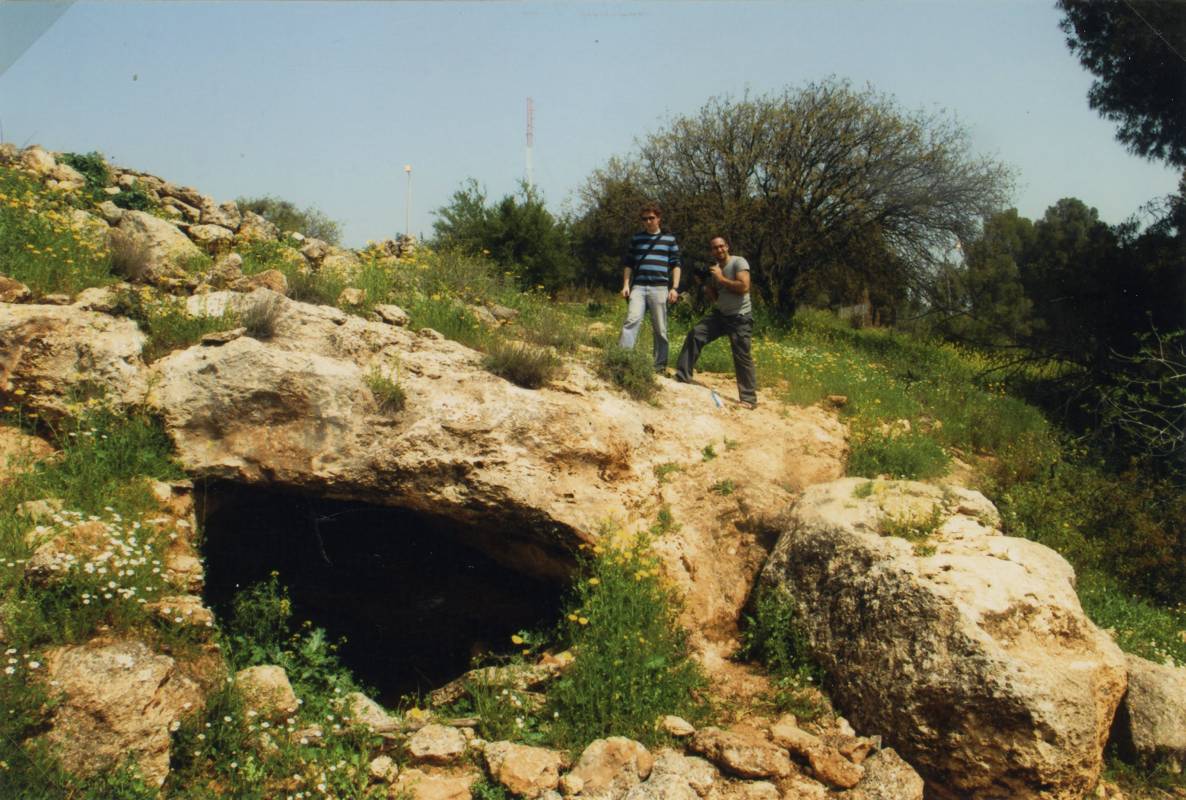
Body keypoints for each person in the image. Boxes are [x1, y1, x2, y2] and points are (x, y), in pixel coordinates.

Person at [675, 236, 758, 408]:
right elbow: (717, 298)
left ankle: (748, 399)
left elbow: (744, 287)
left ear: (727, 247)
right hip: (720, 315)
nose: (719, 250)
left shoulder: (738, 262)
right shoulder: (715, 270)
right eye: (715, 248)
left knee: (742, 356)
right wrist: (706, 288)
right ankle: (682, 375)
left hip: (740, 317)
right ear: (712, 251)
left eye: (721, 246)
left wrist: (720, 279)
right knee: (696, 333)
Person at [618, 203, 682, 372]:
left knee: (660, 328)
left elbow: (676, 265)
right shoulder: (637, 239)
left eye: (651, 218)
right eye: (644, 219)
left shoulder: (669, 240)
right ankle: (622, 361)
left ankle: (659, 366)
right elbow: (629, 263)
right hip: (638, 287)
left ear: (658, 218)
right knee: (631, 321)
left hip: (660, 288)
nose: (648, 221)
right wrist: (626, 285)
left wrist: (674, 288)